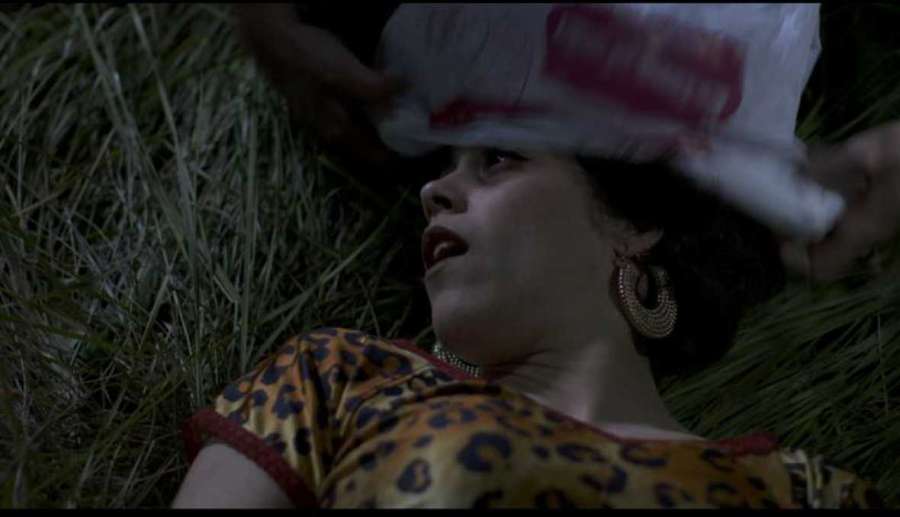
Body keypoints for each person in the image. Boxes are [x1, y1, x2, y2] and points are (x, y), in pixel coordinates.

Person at [171, 4, 895, 508]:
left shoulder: (807, 493)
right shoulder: (338, 380)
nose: (433, 191)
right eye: (447, 164)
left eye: (498, 158)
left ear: (635, 222)